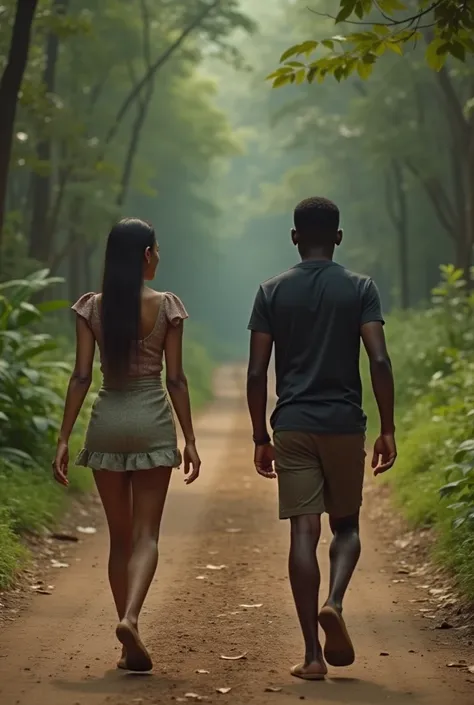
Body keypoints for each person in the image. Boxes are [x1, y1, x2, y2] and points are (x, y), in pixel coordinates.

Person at [246, 197, 396, 680]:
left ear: (293, 237)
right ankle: (334, 600)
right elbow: (378, 360)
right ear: (338, 236)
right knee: (347, 526)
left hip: (291, 424)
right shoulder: (360, 288)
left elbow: (255, 370)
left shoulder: (271, 291)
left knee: (303, 533)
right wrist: (387, 428)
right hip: (344, 424)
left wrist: (259, 434)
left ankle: (312, 655)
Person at [52, 218, 201, 672]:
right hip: (152, 419)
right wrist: (190, 439)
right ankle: (132, 618)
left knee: (119, 539)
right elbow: (175, 378)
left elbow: (81, 377)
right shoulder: (167, 306)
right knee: (146, 535)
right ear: (144, 256)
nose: (158, 257)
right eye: (155, 250)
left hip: (107, 420)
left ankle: (124, 633)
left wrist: (63, 437)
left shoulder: (91, 308)